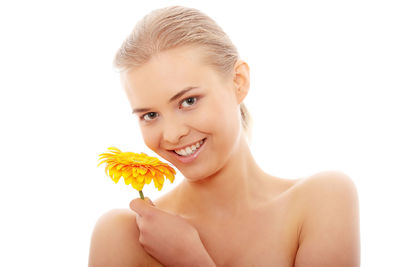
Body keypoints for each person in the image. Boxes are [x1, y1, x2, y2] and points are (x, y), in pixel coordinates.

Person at [88, 5, 360, 267]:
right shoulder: (124, 235)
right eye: (149, 115)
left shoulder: (320, 201)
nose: (172, 135)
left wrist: (191, 259)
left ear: (238, 82)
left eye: (189, 101)